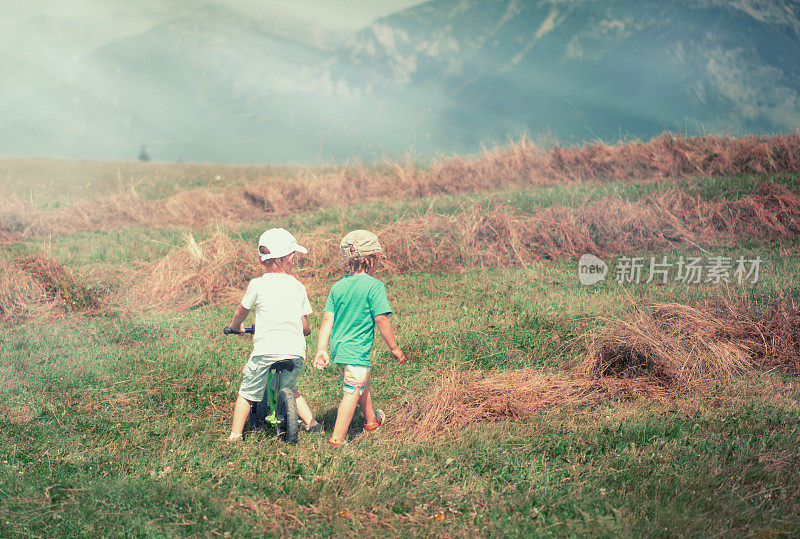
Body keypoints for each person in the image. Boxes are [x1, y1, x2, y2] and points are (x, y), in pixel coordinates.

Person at [227, 228, 321, 442]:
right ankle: (312, 423)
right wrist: (303, 331)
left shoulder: (257, 284)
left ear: (262, 260)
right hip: (296, 352)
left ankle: (235, 435)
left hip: (266, 351)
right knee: (288, 388)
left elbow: (242, 311)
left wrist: (235, 326)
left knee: (247, 392)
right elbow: (305, 326)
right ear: (289, 257)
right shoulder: (298, 287)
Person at [313, 230, 405, 446]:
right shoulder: (374, 286)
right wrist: (394, 347)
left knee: (362, 381)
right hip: (355, 350)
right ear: (372, 259)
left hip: (339, 348)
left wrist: (321, 348)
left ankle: (371, 421)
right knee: (352, 391)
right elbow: (381, 319)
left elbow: (327, 319)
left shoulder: (338, 286)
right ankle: (337, 439)